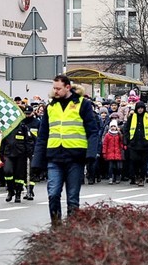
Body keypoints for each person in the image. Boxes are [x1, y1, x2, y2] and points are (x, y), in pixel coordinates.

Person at [31, 75, 99, 226]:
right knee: (53, 194)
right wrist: (36, 162)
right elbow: (43, 136)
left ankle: (72, 230)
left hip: (75, 158)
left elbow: (92, 131)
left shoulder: (83, 104)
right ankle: (56, 227)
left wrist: (91, 155)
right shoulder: (50, 107)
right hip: (54, 157)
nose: (55, 91)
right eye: (54, 88)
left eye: (58, 88)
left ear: (67, 87)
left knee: (72, 197)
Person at [0, 106, 36, 203]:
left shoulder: (23, 127)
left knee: (19, 176)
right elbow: (2, 142)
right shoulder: (7, 128)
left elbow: (29, 141)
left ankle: (18, 193)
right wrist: (1, 154)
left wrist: (30, 154)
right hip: (9, 154)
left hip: (21, 154)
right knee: (7, 172)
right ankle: (11, 191)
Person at [123, 101, 148, 186]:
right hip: (134, 144)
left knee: (143, 163)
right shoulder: (131, 117)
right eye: (138, 108)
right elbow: (126, 129)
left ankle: (142, 178)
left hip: (145, 145)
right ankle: (135, 176)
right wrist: (128, 139)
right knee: (134, 161)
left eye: (142, 108)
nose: (140, 110)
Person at [102, 120, 124, 184]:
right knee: (110, 167)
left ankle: (117, 177)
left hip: (117, 153)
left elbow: (121, 142)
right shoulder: (107, 135)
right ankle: (110, 177)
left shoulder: (118, 135)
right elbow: (105, 144)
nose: (113, 128)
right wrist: (104, 152)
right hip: (110, 153)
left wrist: (122, 148)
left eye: (114, 126)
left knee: (118, 167)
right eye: (112, 126)